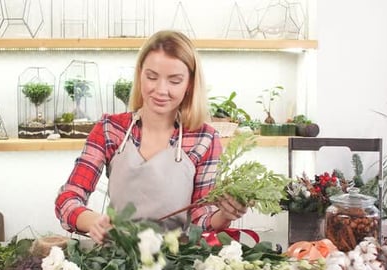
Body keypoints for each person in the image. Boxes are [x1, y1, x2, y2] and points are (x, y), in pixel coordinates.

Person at [55, 30, 247, 244]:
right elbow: (68, 198)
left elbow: (200, 218)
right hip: (119, 259)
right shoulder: (110, 129)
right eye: (152, 77)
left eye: (174, 81)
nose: (160, 90)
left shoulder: (205, 139)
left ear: (189, 84)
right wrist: (92, 221)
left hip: (178, 263)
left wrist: (224, 215)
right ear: (140, 74)